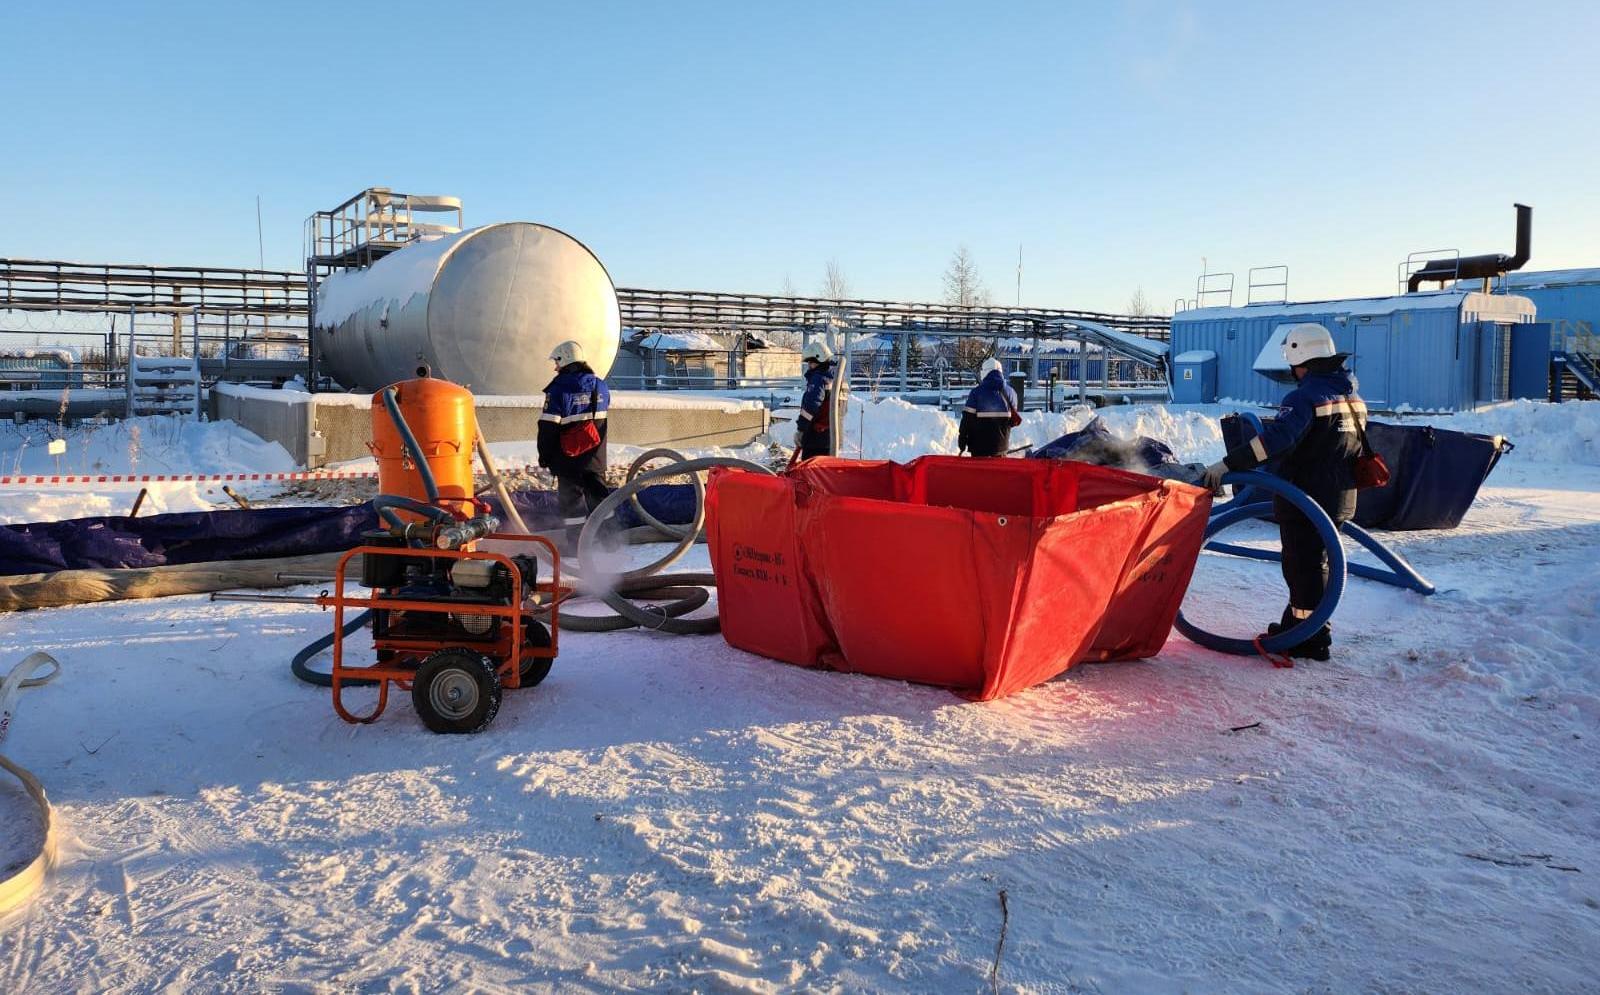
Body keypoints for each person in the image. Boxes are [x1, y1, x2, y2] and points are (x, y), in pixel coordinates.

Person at [1200, 323, 1366, 660]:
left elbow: (1276, 441)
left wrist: (1228, 464)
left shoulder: (1305, 397)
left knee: (1303, 566)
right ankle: (1300, 626)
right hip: (1339, 495)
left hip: (1306, 497)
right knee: (1314, 563)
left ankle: (1310, 637)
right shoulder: (1351, 395)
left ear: (1300, 360)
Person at [537, 339, 611, 525]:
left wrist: (544, 456)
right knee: (601, 503)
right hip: (595, 458)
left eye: (557, 362)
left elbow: (547, 428)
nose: (555, 367)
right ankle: (609, 538)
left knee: (572, 509)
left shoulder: (559, 389)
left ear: (565, 359)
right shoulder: (600, 386)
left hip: (568, 461)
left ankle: (575, 541)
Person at [958, 357, 1020, 457]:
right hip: (1002, 448)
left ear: (985, 372)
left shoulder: (976, 392)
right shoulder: (1012, 393)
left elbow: (967, 420)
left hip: (978, 449)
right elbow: (1012, 421)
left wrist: (962, 442)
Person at [795, 340, 837, 460]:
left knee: (809, 468)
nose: (809, 365)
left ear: (819, 359)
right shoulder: (834, 377)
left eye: (811, 362)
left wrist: (801, 429)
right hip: (830, 435)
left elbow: (811, 406)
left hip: (816, 437)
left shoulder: (819, 378)